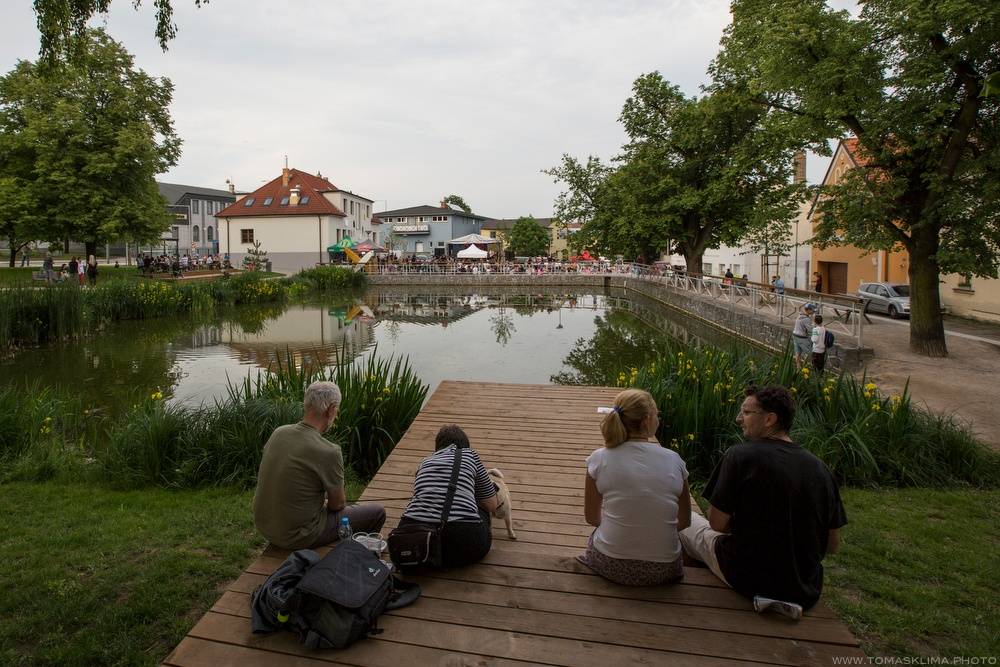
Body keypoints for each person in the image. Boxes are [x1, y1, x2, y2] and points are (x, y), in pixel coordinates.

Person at [679, 386, 847, 611]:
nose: (739, 418)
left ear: (770, 419)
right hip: (803, 589)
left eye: (746, 412)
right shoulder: (821, 469)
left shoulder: (740, 455)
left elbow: (717, 524)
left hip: (747, 577)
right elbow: (832, 544)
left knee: (685, 520)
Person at [252, 381, 386, 550]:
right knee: (377, 512)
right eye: (336, 410)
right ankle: (355, 556)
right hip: (298, 536)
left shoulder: (279, 432)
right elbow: (337, 505)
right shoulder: (329, 451)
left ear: (307, 404)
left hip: (266, 528)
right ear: (331, 410)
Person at [578, 389, 691, 586]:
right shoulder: (674, 460)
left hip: (610, 566)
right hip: (664, 570)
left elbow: (592, 519)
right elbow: (684, 521)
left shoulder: (599, 458)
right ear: (647, 420)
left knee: (597, 536)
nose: (658, 419)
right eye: (657, 414)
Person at [396, 425, 498, 568]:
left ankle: (431, 556)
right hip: (466, 542)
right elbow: (492, 505)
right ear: (465, 446)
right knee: (483, 506)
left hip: (416, 541)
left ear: (437, 448)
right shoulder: (470, 455)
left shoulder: (425, 462)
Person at [791, 303, 815, 367]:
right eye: (812, 310)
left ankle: (798, 368)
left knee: (798, 353)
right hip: (802, 338)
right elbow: (810, 331)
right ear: (808, 310)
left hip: (795, 336)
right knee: (811, 353)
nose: (813, 311)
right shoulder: (806, 319)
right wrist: (818, 333)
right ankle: (806, 367)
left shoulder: (799, 316)